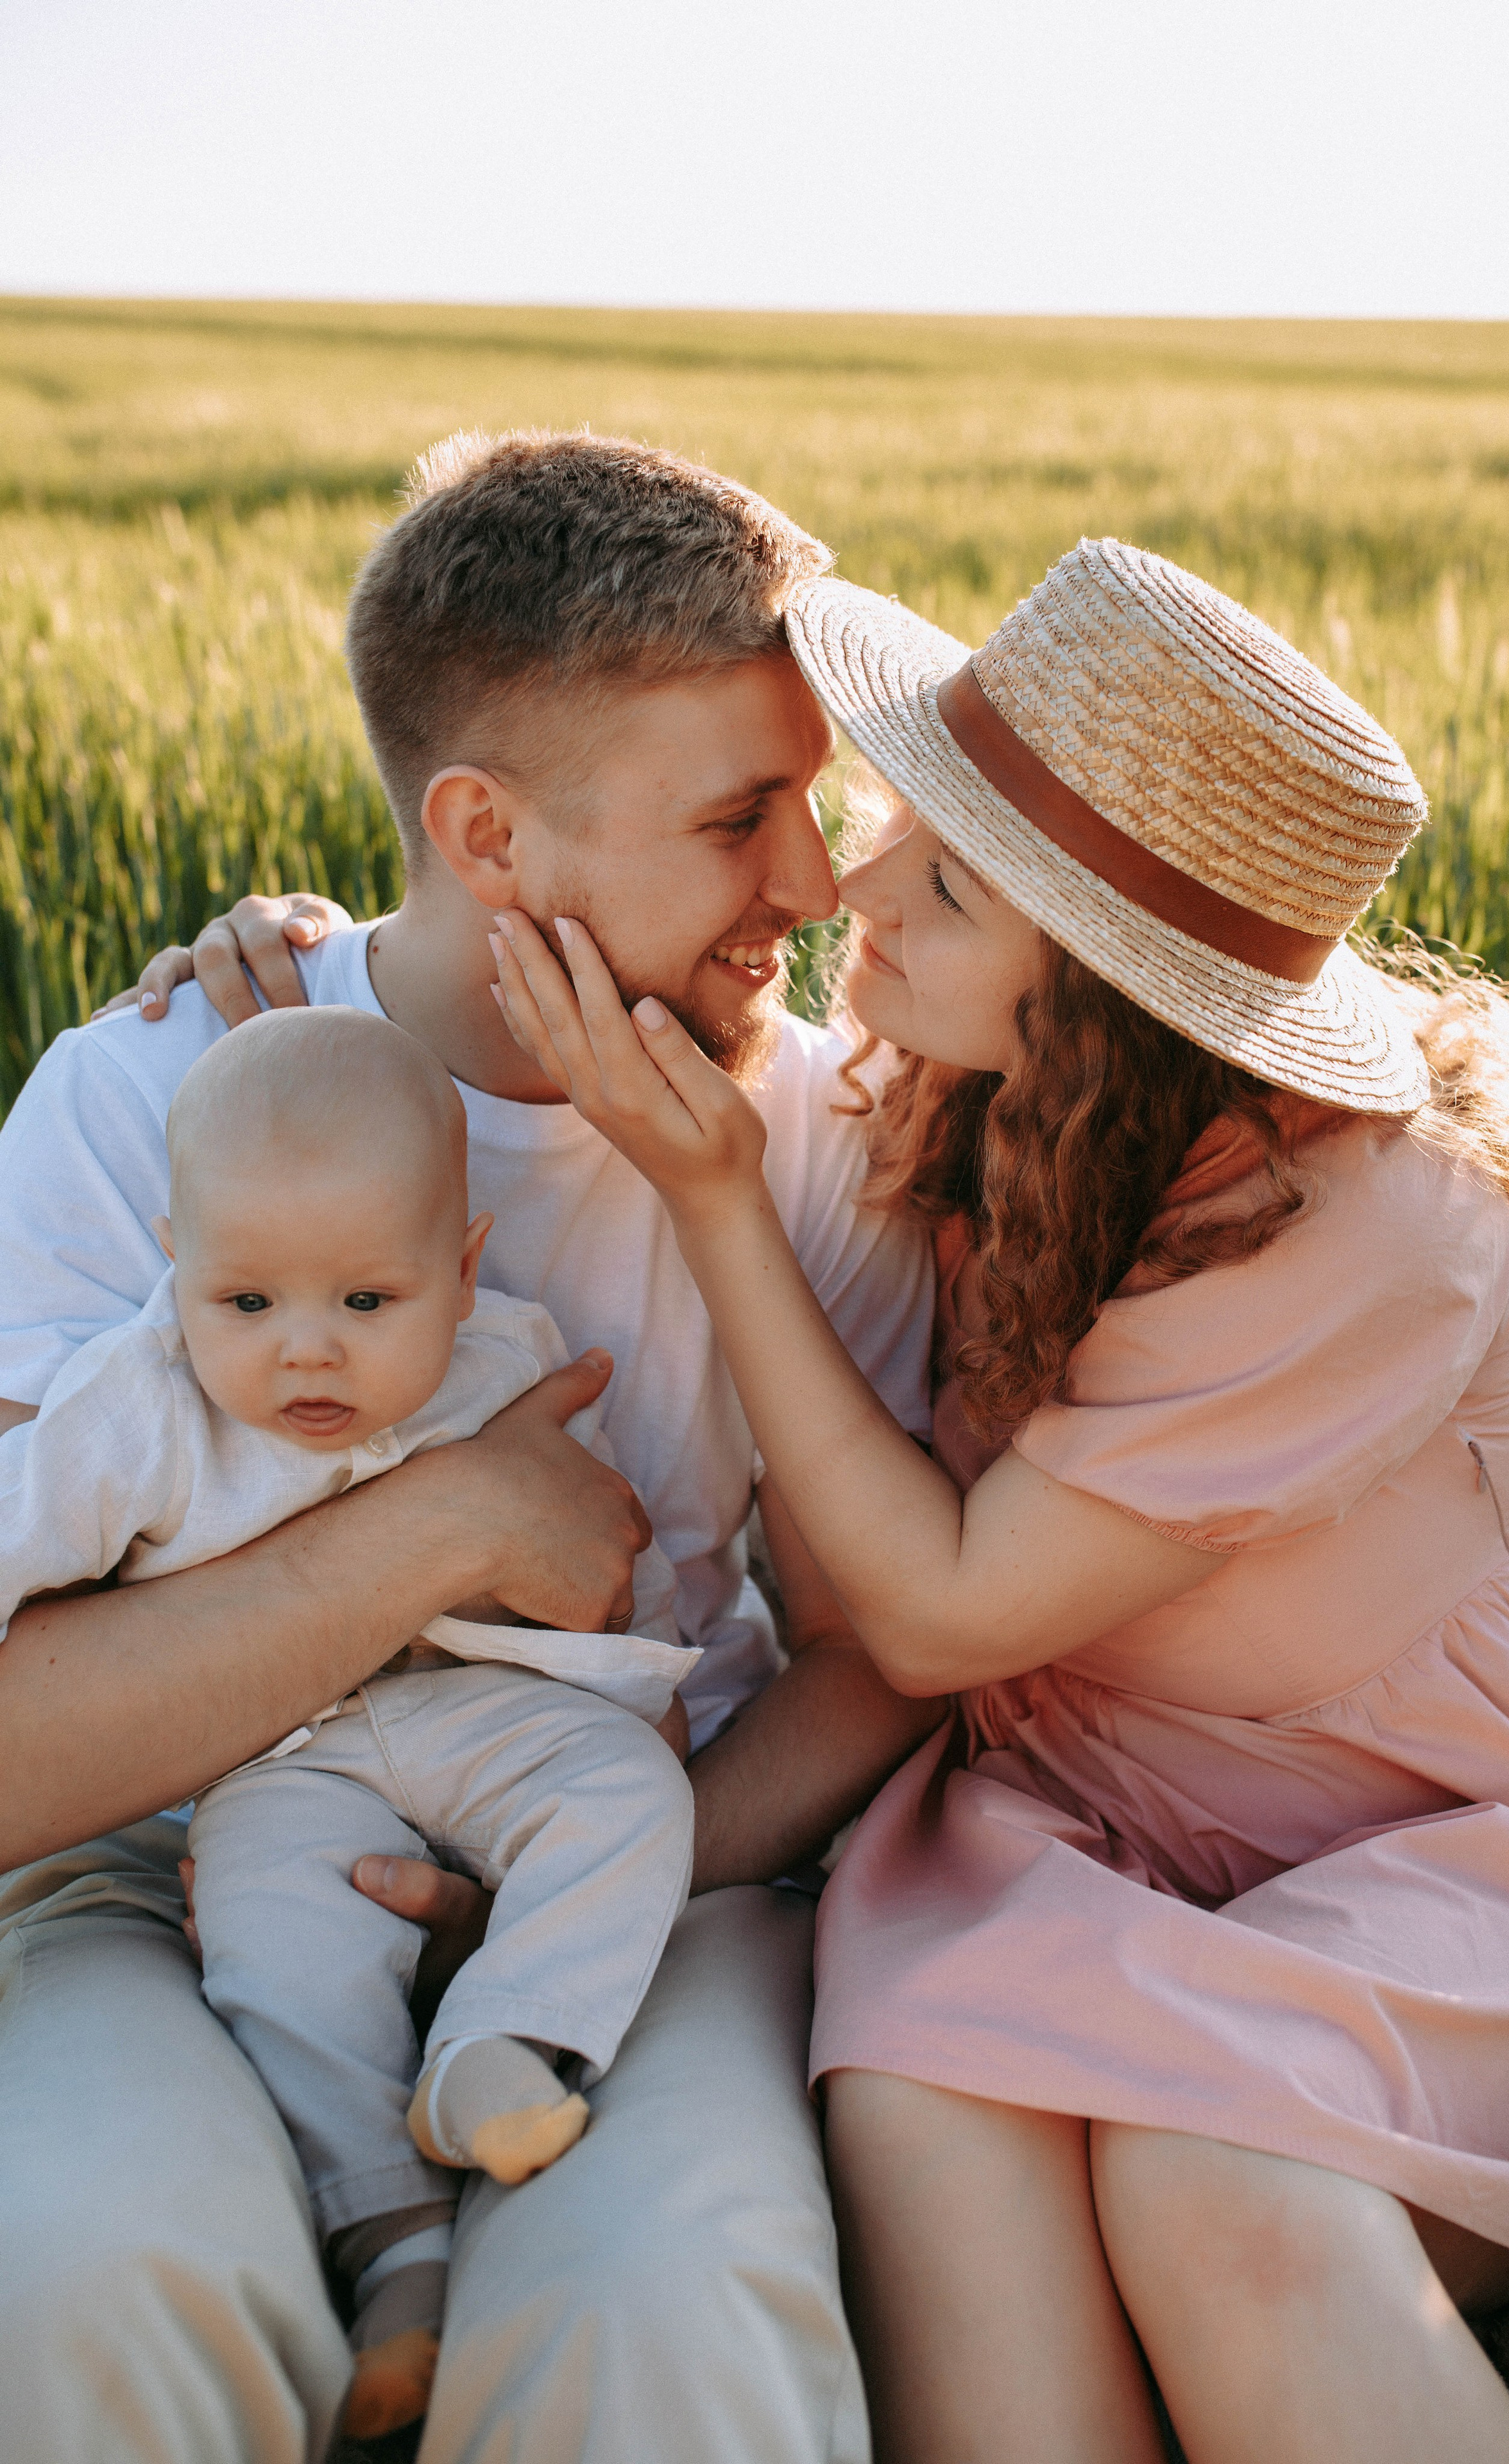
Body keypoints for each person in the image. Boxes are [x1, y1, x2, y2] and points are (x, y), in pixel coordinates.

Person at [484, 536, 1509, 2464]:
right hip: (1085, 1832)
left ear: (1108, 1000)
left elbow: (938, 1611)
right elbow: (553, 931)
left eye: (941, 882)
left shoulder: (1380, 1238)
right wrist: (304, 964)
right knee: (937, 2123)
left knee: (1225, 2192)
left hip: (1460, 1859)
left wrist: (711, 1209)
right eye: (905, 819)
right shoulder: (961, 1081)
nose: (855, 885)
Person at [0, 430, 939, 2464]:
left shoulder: (818, 1140)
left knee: (681, 2319)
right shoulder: (143, 1093)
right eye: (739, 816)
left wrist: (592, 1864)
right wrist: (442, 1528)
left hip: (642, 1849)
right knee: (97, 2274)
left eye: (819, 798)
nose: (811, 879)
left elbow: (887, 1649)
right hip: (152, 1877)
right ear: (489, 837)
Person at [2, 1002, 702, 2442]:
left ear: (457, 1271)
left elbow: (608, 1560)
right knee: (275, 1948)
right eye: (245, 1305)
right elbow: (17, 1539)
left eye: (364, 1305)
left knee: (633, 1799)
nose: (303, 1357)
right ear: (178, 1268)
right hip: (274, 1761)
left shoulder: (511, 1365)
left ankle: (500, 2044)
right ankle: (391, 2248)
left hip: (476, 1720)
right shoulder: (130, 1412)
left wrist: (631, 1670)